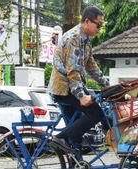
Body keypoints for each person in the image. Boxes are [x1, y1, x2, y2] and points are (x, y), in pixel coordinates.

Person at [47, 6, 109, 147]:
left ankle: (75, 161)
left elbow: (91, 66)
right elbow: (73, 71)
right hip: (63, 89)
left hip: (72, 87)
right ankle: (60, 139)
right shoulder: (74, 38)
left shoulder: (85, 41)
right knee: (96, 113)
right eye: (98, 25)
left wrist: (107, 84)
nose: (99, 29)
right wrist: (82, 96)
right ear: (87, 21)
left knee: (77, 133)